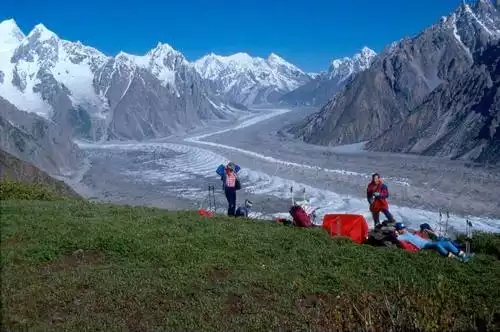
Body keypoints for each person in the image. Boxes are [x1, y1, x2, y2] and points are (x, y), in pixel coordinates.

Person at [394, 222, 471, 262]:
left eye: (404, 228)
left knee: (447, 243)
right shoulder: (401, 237)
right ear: (399, 230)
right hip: (424, 246)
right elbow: (396, 238)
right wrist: (395, 233)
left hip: (428, 242)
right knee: (437, 244)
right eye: (402, 228)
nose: (404, 229)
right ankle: (457, 259)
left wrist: (426, 230)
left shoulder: (408, 232)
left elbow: (416, 232)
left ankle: (464, 256)